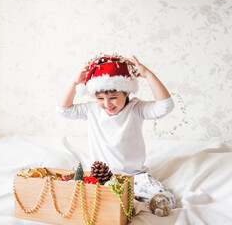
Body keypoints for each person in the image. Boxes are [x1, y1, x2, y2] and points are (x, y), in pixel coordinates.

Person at [56, 54, 176, 209]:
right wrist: (74, 83)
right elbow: (63, 110)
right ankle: (122, 199)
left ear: (127, 93)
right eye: (100, 98)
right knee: (80, 200)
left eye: (113, 97)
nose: (107, 104)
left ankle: (131, 198)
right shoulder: (91, 110)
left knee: (168, 200)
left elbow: (166, 106)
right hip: (101, 177)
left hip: (133, 177)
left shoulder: (136, 109)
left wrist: (148, 75)